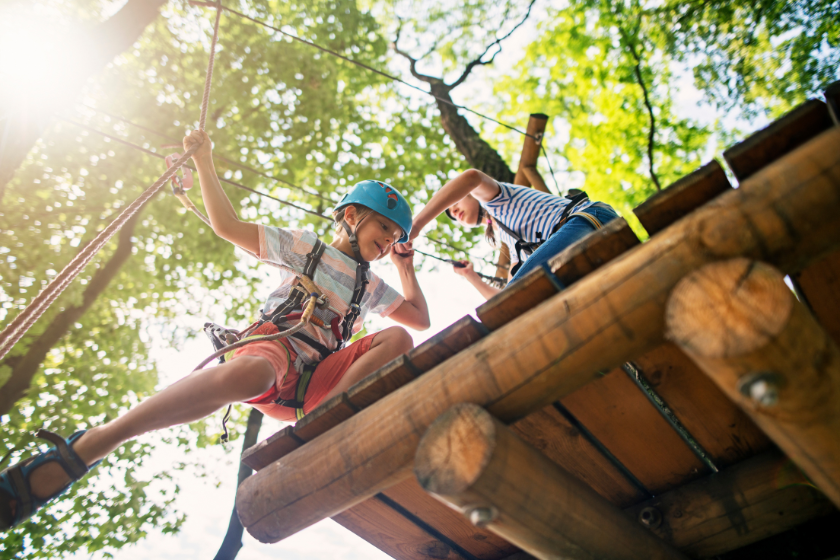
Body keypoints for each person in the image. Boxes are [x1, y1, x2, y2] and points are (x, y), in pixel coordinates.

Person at [0, 130, 429, 529]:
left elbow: (417, 318)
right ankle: (95, 443)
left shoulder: (369, 285)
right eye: (384, 228)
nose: (390, 240)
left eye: (395, 236)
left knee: (398, 339)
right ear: (351, 216)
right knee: (256, 373)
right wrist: (205, 162)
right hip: (273, 351)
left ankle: (326, 420)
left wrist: (404, 267)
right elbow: (227, 226)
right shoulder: (305, 247)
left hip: (315, 384)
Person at [409, 168, 619, 299]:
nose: (454, 212)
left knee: (520, 292)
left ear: (472, 196)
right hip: (576, 240)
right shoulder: (512, 246)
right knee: (515, 299)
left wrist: (416, 226)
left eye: (455, 203)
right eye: (452, 217)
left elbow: (471, 177)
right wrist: (471, 277)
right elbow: (504, 301)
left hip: (589, 218)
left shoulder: (497, 200)